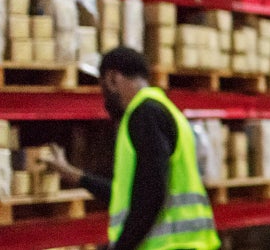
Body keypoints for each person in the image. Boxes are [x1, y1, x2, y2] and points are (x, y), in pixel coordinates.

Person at [45, 48, 220, 250]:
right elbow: (130, 195)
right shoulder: (164, 110)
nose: (105, 100)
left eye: (103, 88)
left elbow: (151, 194)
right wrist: (73, 174)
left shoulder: (145, 114)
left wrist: (122, 246)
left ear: (112, 79)